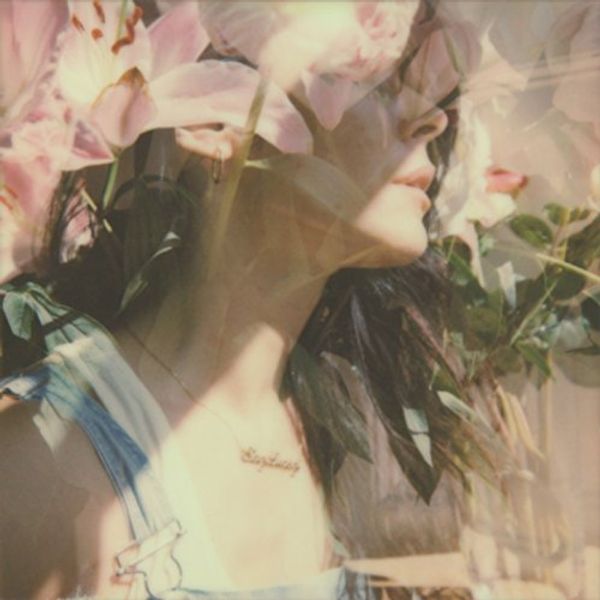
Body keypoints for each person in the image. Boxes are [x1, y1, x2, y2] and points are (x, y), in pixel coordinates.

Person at [0, 1, 489, 598]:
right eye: (372, 77)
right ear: (213, 124)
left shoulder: (358, 435)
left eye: (431, 88)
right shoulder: (41, 463)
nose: (431, 119)